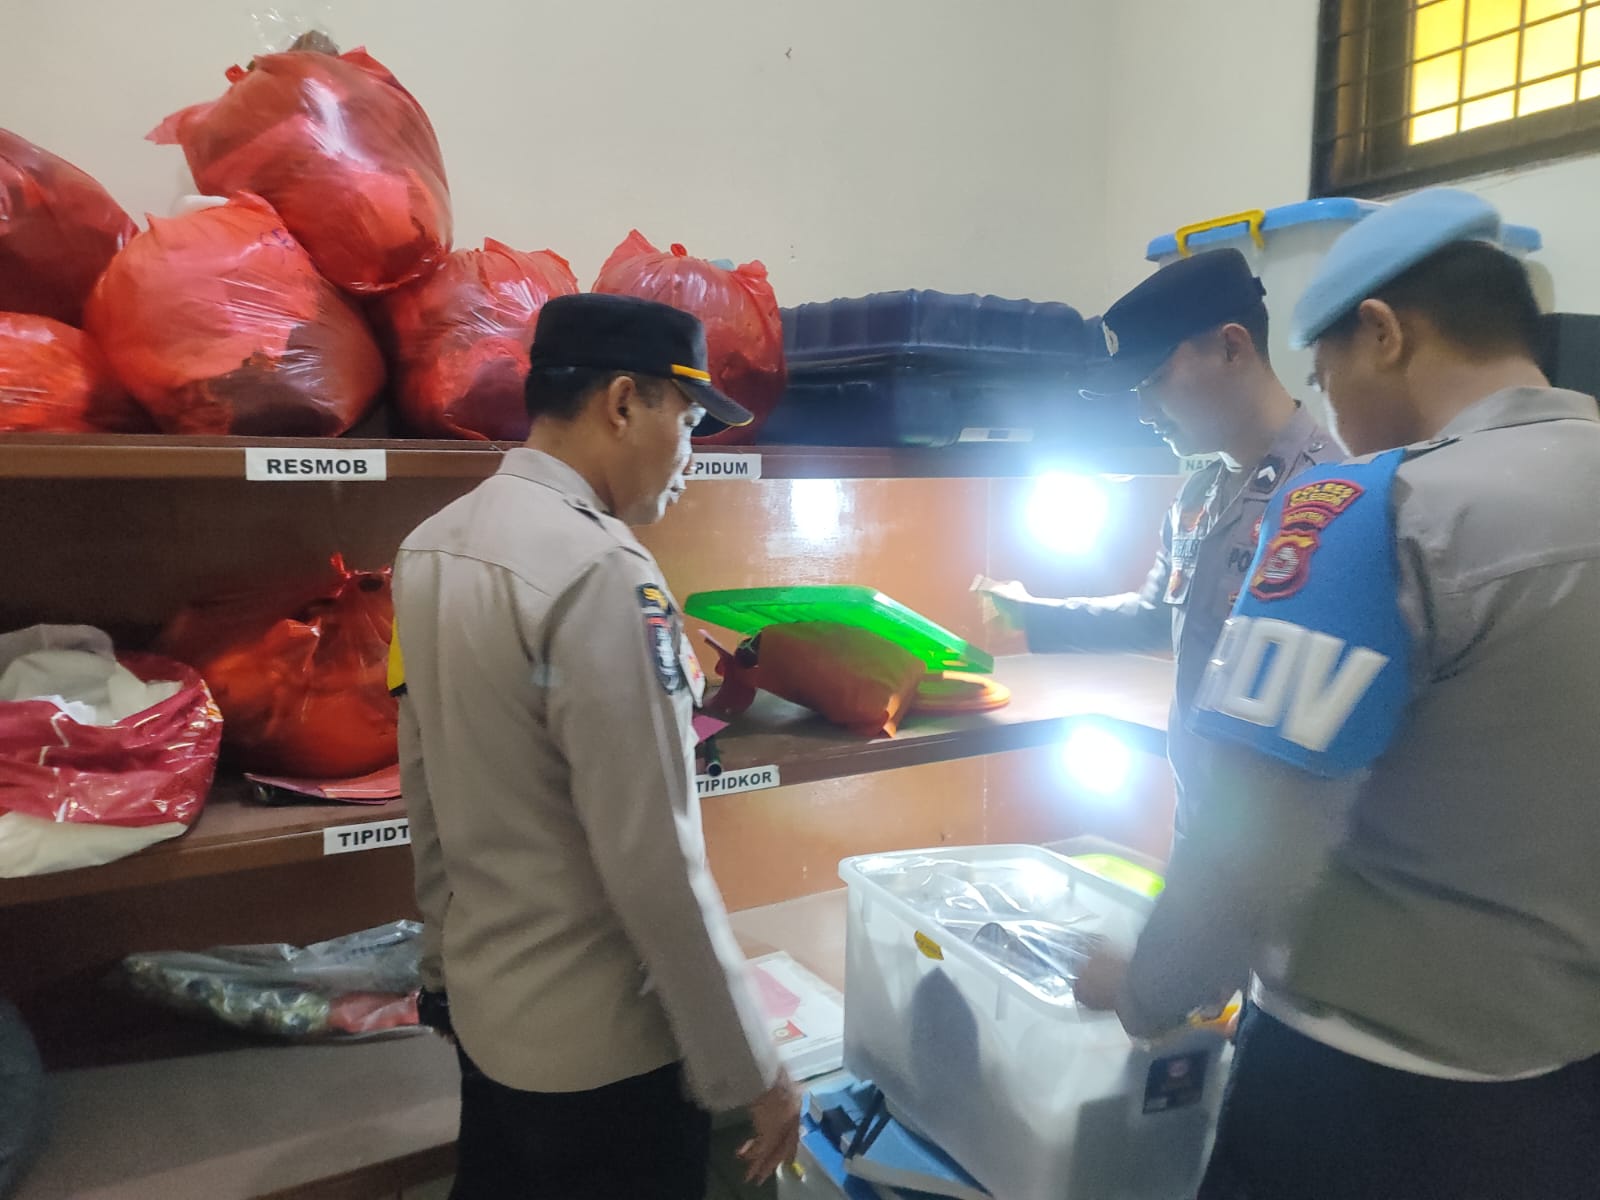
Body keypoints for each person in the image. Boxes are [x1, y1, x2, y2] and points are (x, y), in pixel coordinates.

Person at [1077, 189, 1600, 1199]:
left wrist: (1147, 988)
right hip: (1566, 1091)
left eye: (1325, 375)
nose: (1332, 410)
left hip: (1365, 1093)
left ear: (1383, 333)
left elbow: (1256, 831)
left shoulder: (1369, 512)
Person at [391, 293, 799, 1199]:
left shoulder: (431, 548)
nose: (692, 455)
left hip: (493, 1021)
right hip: (605, 1056)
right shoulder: (604, 574)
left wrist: (442, 972)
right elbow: (655, 858)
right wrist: (752, 1068)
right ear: (622, 402)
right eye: (688, 420)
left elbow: (427, 791)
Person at [984, 249, 1338, 844]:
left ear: (1232, 347)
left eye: (1153, 381)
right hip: (1203, 821)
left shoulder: (1334, 496)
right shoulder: (1198, 494)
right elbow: (1156, 617)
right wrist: (1033, 614)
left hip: (1292, 843)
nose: (1143, 411)